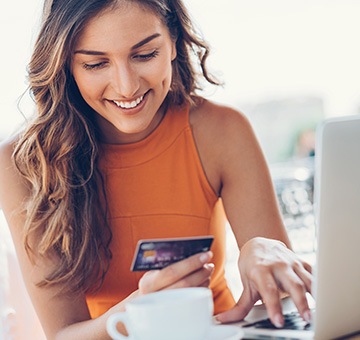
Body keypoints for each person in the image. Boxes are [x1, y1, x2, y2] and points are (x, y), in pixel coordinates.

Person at [0, 0, 313, 338]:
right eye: (95, 64)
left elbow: (284, 298)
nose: (126, 87)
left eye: (145, 55)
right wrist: (140, 310)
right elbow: (63, 334)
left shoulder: (222, 131)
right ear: (65, 66)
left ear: (174, 42)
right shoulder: (24, 163)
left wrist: (262, 250)